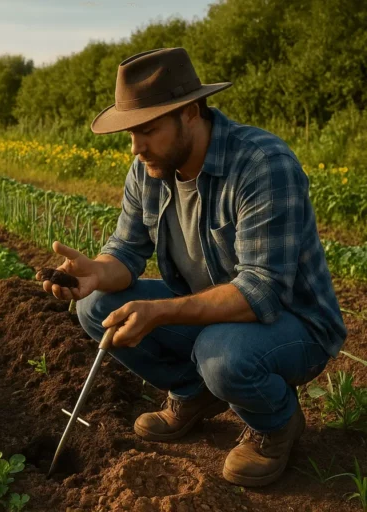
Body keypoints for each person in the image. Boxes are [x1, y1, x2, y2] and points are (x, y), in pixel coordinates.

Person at [38, 47, 347, 487]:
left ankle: (277, 422)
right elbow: (126, 251)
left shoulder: (262, 164)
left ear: (190, 113)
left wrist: (161, 312)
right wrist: (95, 273)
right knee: (96, 307)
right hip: (215, 315)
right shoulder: (148, 169)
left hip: (293, 322)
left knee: (223, 354)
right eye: (130, 132)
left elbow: (262, 291)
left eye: (146, 130)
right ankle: (194, 393)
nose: (135, 146)